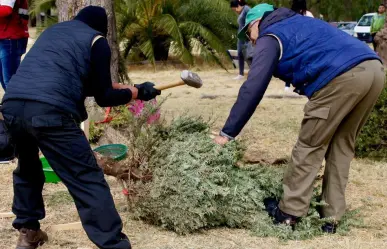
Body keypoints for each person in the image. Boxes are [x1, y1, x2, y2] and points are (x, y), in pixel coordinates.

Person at [214, 3, 384, 233]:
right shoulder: (299, 21)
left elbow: (253, 86)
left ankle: (288, 214)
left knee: (310, 144)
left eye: (248, 33)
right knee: (342, 145)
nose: (251, 40)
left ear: (257, 22)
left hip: (341, 77)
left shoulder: (269, 34)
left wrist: (228, 132)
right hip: (373, 69)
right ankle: (331, 217)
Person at [1, 6, 160, 249]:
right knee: (85, 177)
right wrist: (138, 93)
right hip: (50, 111)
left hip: (13, 105)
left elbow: (84, 85)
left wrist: (133, 90)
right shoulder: (97, 41)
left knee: (28, 168)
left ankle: (28, 231)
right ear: (102, 28)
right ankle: (113, 245)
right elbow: (104, 97)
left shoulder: (54, 33)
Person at [0, 0, 29, 91]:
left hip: (10, 40)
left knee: (10, 80)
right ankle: (11, 103)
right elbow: (23, 14)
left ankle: (16, 104)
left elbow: (6, 10)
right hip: (6, 37)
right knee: (4, 78)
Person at [230, 0, 251, 80]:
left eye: (235, 9)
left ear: (238, 6)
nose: (235, 11)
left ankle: (254, 72)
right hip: (240, 37)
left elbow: (253, 18)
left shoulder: (246, 9)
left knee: (248, 54)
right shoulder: (241, 12)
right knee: (240, 54)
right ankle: (241, 74)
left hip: (246, 37)